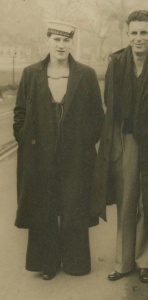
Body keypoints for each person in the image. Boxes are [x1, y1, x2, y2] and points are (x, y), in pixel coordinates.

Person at [92, 10, 148, 283]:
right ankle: (123, 261)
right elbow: (111, 104)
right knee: (127, 198)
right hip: (126, 139)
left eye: (144, 32)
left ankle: (147, 262)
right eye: (134, 33)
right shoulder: (117, 63)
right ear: (127, 34)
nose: (138, 38)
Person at [13, 20, 104, 280]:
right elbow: (20, 114)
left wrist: (83, 144)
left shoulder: (85, 74)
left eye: (66, 40)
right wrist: (26, 139)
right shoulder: (31, 74)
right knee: (44, 206)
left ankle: (76, 262)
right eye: (56, 39)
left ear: (71, 43)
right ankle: (47, 263)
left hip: (76, 155)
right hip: (40, 155)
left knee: (74, 204)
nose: (61, 45)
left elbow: (97, 116)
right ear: (47, 41)